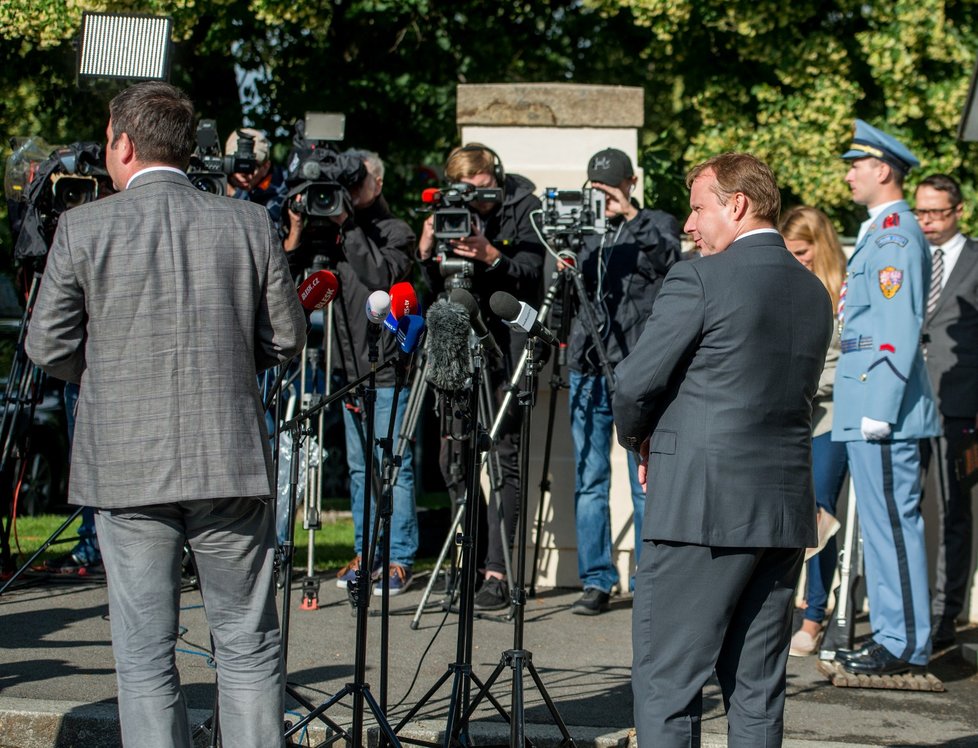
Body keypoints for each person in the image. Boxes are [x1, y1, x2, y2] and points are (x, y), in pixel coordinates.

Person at [25, 81, 307, 747]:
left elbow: (48, 346)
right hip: (228, 457)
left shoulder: (84, 226)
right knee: (247, 645)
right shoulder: (245, 222)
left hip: (126, 463)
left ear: (122, 143)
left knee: (145, 656)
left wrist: (111, 379)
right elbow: (287, 339)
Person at [614, 152, 831, 747]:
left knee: (667, 684)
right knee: (758, 692)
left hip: (698, 512)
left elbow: (634, 382)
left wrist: (640, 440)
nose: (688, 223)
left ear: (736, 205)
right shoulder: (814, 292)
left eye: (698, 207)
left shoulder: (699, 278)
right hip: (783, 514)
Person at [832, 120, 940, 676]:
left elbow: (897, 323)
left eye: (857, 164)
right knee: (881, 529)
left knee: (893, 529)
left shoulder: (896, 234)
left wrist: (880, 405)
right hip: (866, 406)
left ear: (883, 170)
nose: (849, 173)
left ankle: (904, 645)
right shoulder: (882, 230)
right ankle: (895, 637)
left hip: (883, 410)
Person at [418, 143, 545, 610]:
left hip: (507, 349)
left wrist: (491, 254)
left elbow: (534, 278)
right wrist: (428, 251)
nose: (473, 200)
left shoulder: (527, 209)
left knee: (502, 458)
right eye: (463, 192)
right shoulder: (452, 211)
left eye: (479, 189)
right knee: (455, 459)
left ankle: (496, 571)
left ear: (496, 175)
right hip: (458, 350)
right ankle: (463, 565)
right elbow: (436, 293)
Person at [288, 149, 420, 595]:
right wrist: (296, 231)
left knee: (392, 466)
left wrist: (348, 225)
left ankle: (399, 557)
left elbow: (381, 275)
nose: (347, 192)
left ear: (376, 184)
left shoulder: (394, 230)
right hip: (345, 369)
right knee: (361, 469)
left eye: (357, 183)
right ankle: (369, 551)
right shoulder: (327, 234)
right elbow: (293, 282)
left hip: (386, 369)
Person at [564, 148, 680, 615]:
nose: (604, 197)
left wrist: (628, 214)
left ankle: (649, 577)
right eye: (597, 189)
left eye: (611, 187)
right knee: (589, 478)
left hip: (637, 369)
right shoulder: (582, 232)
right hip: (586, 366)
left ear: (632, 182)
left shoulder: (656, 222)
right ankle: (597, 579)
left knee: (643, 479)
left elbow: (673, 260)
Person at [780, 206, 849, 656]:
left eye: (803, 252)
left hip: (832, 415)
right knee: (802, 514)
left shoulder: (844, 291)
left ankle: (814, 614)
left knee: (820, 513)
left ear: (821, 247)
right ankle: (809, 601)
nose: (796, 261)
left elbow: (844, 363)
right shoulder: (790, 285)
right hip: (794, 416)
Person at [914, 174, 978, 649]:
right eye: (921, 212)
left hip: (960, 406)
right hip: (907, 402)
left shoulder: (976, 260)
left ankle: (944, 616)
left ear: (959, 211)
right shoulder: (908, 254)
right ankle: (909, 611)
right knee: (906, 508)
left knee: (954, 511)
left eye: (936, 212)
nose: (928, 222)